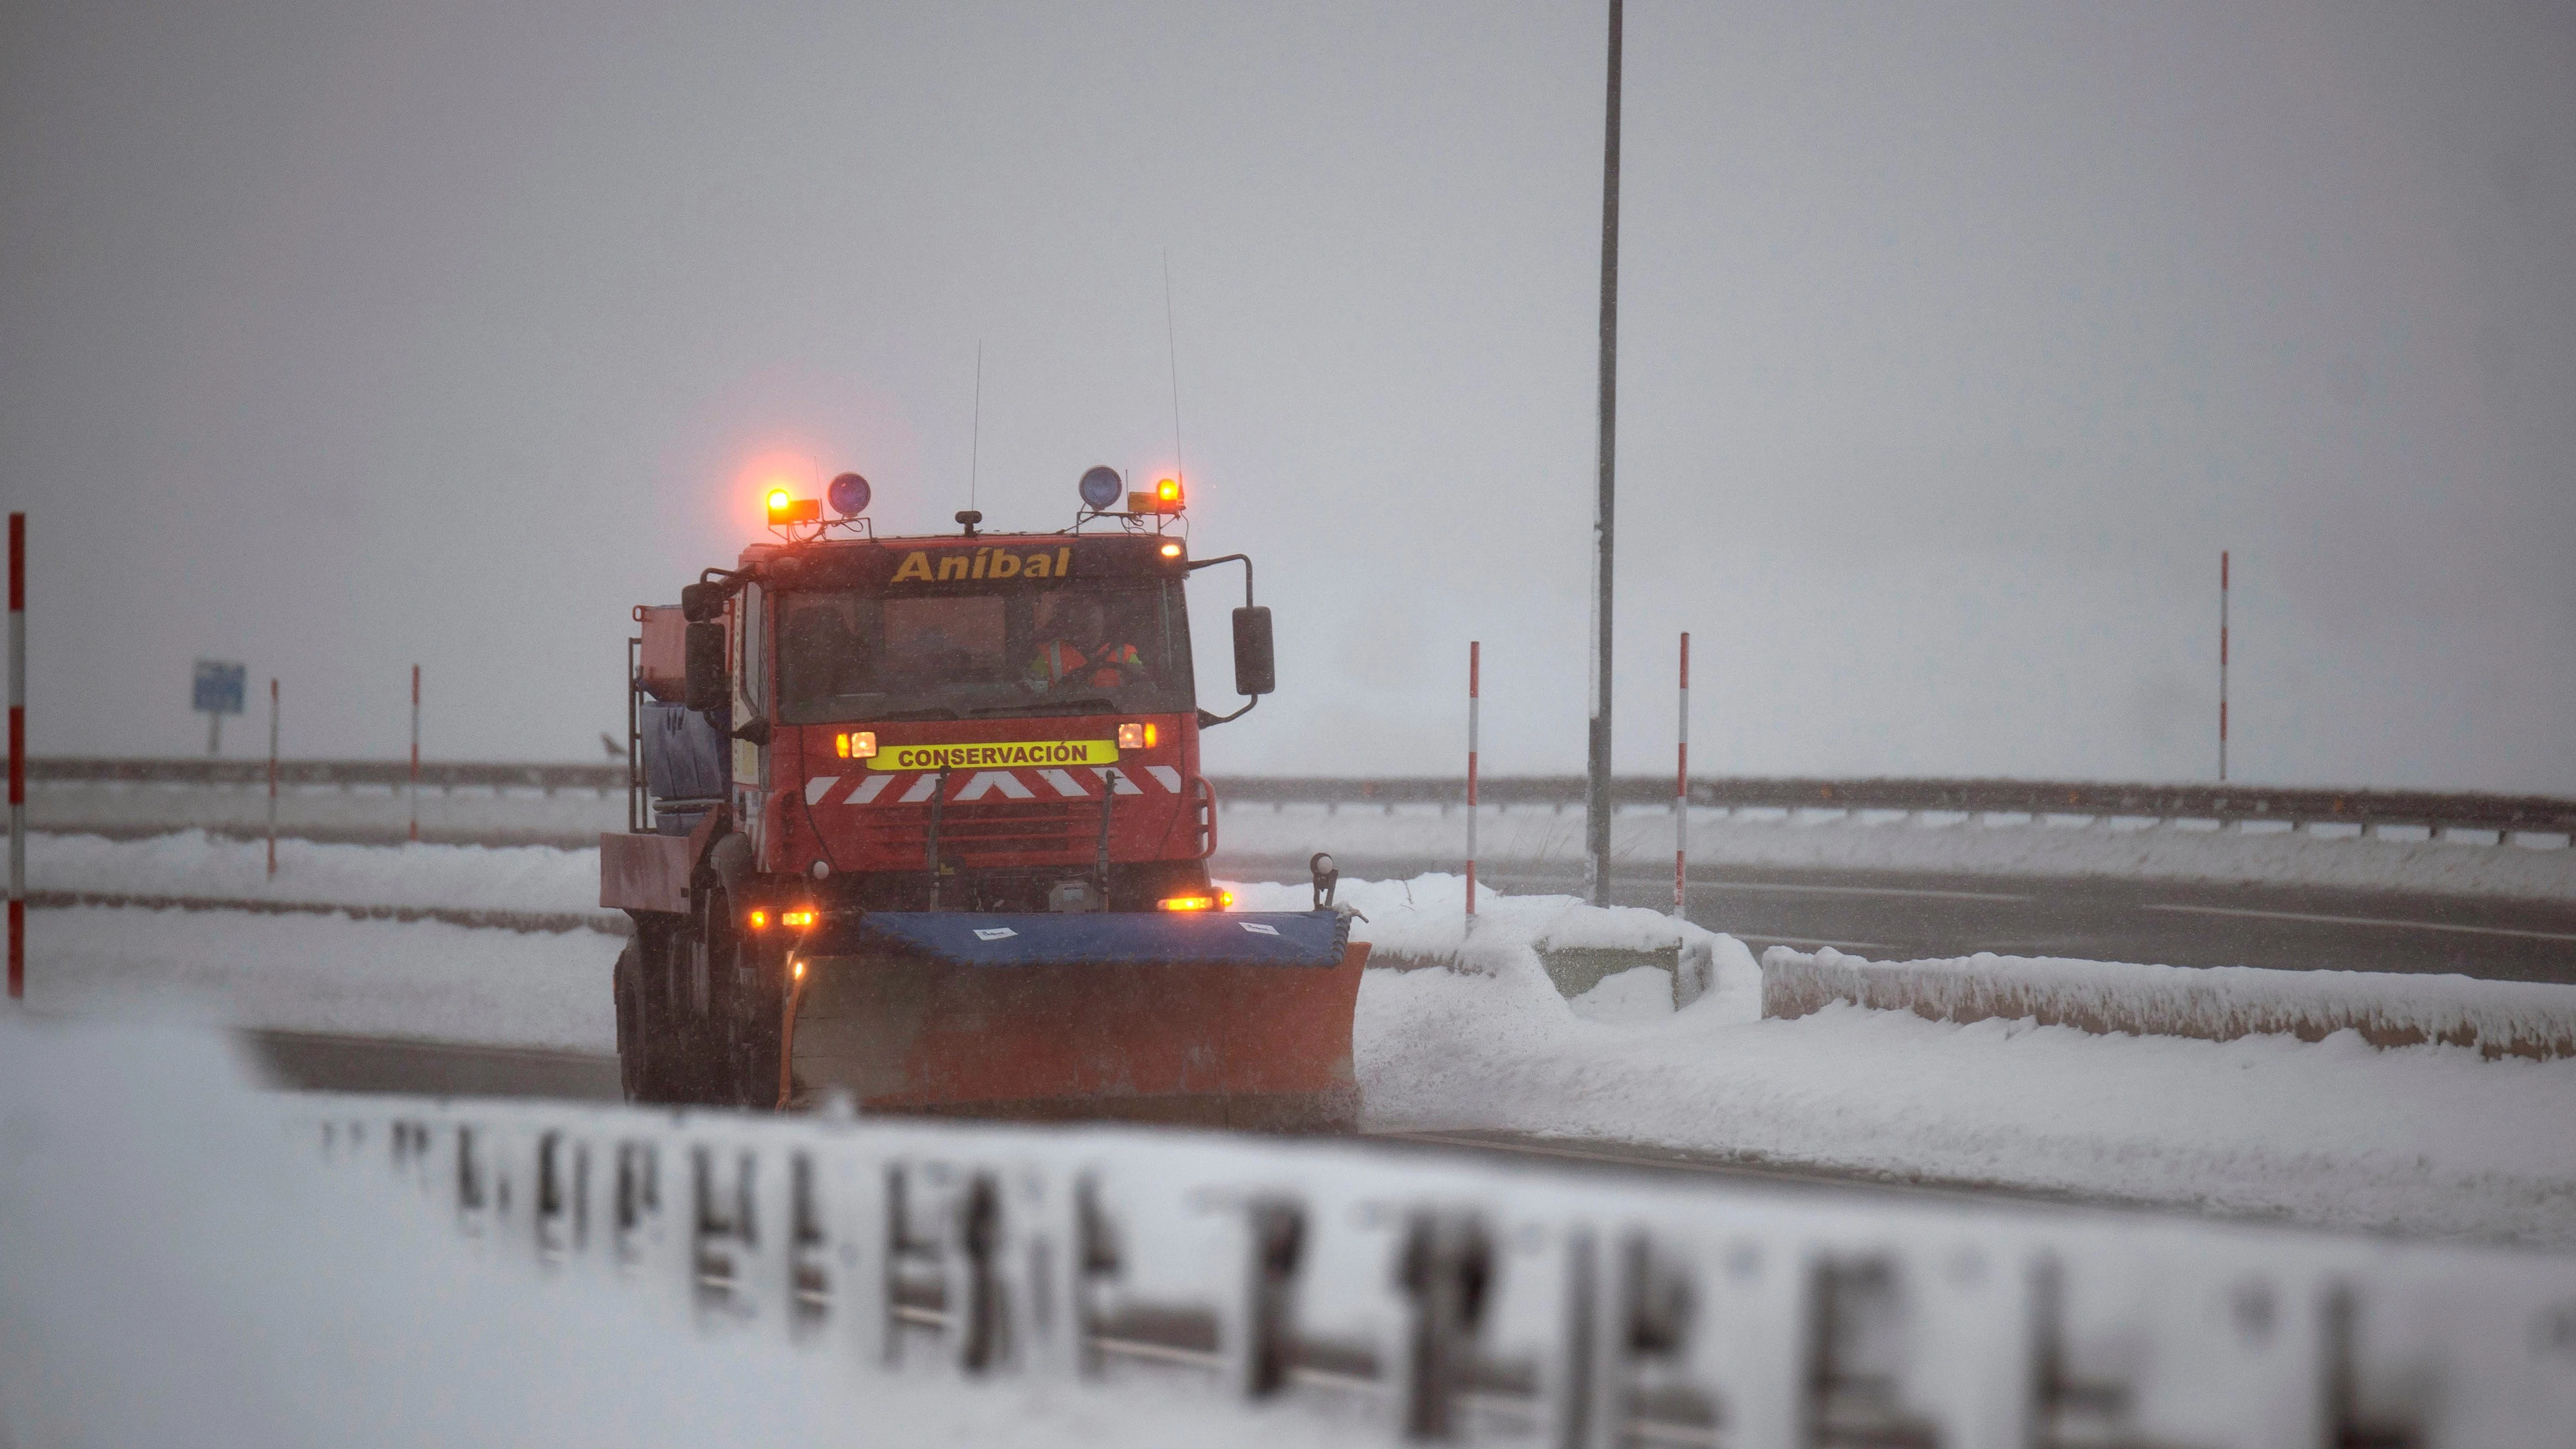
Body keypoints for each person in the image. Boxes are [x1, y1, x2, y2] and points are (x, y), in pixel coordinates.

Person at [1025, 594, 1147, 690]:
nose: (1089, 631)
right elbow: (1028, 691)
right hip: (1062, 716)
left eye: (1093, 623)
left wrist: (1137, 676)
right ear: (1070, 625)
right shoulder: (1050, 655)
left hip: (1116, 715)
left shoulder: (1125, 654)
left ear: (1103, 624)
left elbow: (1144, 688)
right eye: (1082, 625)